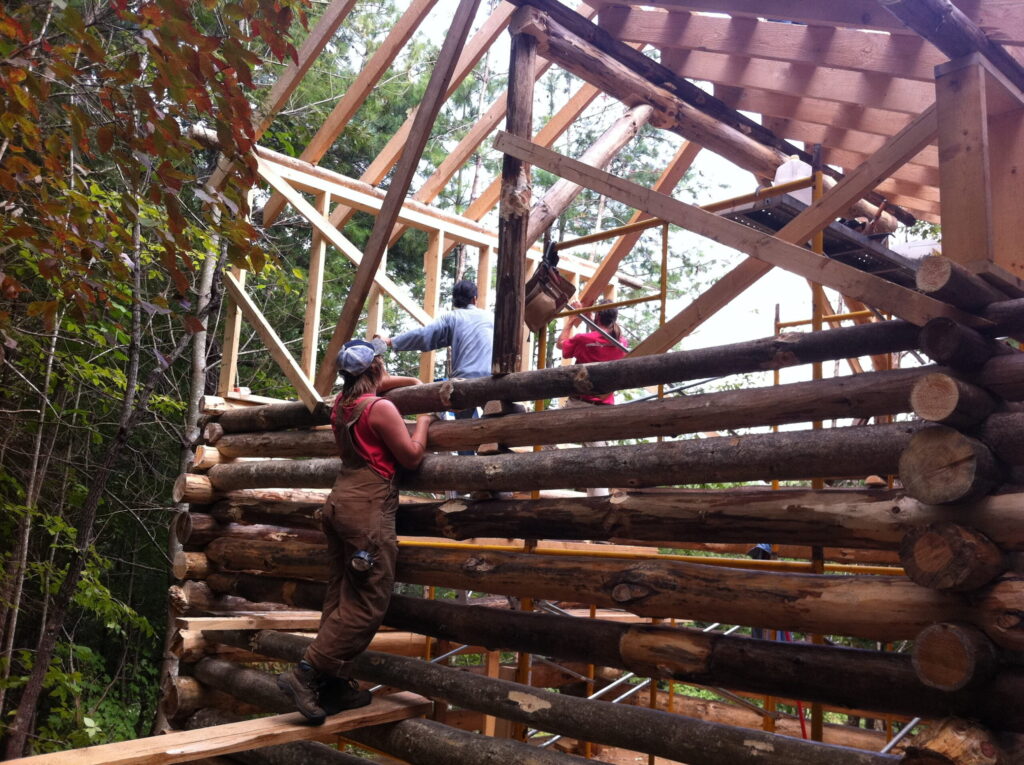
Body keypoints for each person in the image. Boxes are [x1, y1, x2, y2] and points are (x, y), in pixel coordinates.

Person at [276, 338, 433, 724]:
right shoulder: (379, 409)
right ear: (376, 368)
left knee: (342, 596)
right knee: (366, 604)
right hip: (367, 511)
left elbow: (377, 387)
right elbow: (411, 457)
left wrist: (407, 379)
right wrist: (425, 423)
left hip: (338, 503)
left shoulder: (342, 406)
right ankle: (307, 673)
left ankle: (334, 684)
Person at [381, 279, 493, 418]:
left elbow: (424, 335)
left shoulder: (452, 318)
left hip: (464, 382)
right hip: (492, 380)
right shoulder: (491, 317)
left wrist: (392, 341)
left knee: (460, 426)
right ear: (474, 299)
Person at [556, 300, 628, 497]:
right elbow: (598, 340)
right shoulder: (621, 343)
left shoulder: (582, 339)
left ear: (596, 316)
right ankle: (599, 504)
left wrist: (572, 320)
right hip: (604, 407)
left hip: (577, 405)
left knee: (547, 439)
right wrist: (588, 318)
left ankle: (530, 481)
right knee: (598, 459)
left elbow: (561, 345)